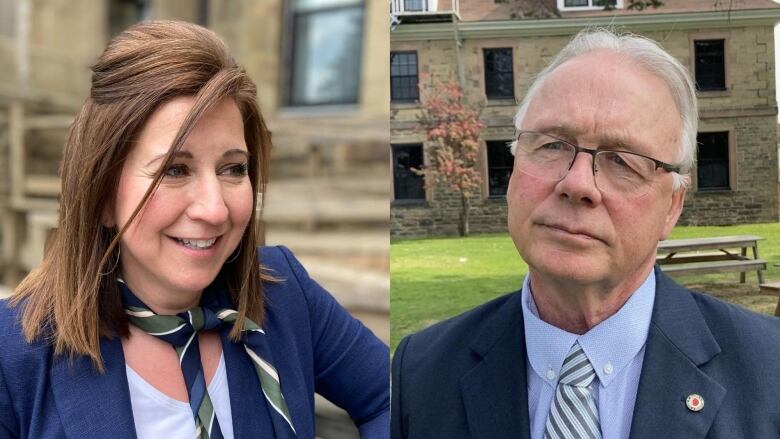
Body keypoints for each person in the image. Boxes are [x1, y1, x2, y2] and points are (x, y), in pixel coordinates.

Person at [0, 21, 389, 439]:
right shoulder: (13, 355)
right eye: (175, 170)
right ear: (103, 196)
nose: (214, 208)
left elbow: (390, 399)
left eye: (233, 168)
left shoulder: (285, 290)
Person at [391, 29, 780, 438]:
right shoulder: (422, 373)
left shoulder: (768, 369)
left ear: (672, 207)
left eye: (622, 160)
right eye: (553, 145)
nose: (577, 184)